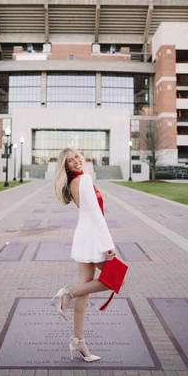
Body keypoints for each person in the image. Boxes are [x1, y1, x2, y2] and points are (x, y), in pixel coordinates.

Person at [52, 147, 117, 363]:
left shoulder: (73, 183)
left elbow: (91, 212)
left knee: (85, 292)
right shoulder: (84, 180)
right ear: (66, 166)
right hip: (92, 238)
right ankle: (67, 293)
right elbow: (97, 214)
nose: (77, 161)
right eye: (71, 161)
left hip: (84, 235)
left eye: (77, 157)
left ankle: (78, 341)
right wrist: (108, 244)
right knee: (116, 277)